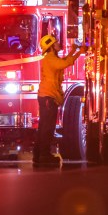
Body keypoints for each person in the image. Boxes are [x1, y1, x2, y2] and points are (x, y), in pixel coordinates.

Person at [33, 34, 84, 166]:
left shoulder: (51, 58)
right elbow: (66, 63)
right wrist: (80, 52)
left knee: (44, 127)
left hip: (47, 96)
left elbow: (63, 61)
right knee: (47, 128)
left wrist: (74, 50)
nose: (58, 44)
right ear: (51, 47)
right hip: (48, 97)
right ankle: (44, 156)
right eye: (55, 43)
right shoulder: (50, 58)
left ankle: (38, 155)